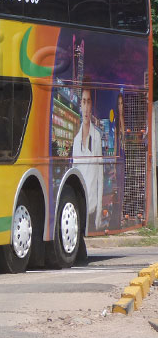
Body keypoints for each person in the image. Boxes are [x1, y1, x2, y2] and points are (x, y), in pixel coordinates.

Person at [72, 84, 103, 230]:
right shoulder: (76, 140)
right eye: (83, 101)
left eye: (88, 101)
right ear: (80, 105)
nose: (85, 106)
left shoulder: (96, 137)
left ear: (91, 106)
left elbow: (100, 178)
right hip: (79, 208)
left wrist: (98, 216)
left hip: (92, 210)